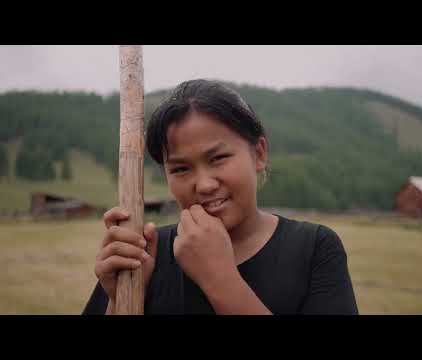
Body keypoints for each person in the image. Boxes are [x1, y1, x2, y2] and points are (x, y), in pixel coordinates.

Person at [83, 79, 358, 315]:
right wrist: (120, 299)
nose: (204, 185)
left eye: (218, 158)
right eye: (180, 168)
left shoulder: (314, 249)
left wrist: (219, 279)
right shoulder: (143, 255)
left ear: (259, 153)